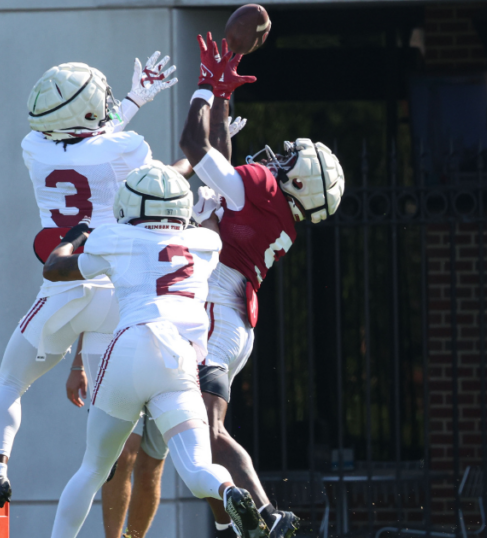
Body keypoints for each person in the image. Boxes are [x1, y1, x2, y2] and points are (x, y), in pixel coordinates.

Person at [0, 54, 180, 536]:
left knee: (10, 383)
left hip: (62, 283)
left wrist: (133, 100)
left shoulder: (32, 146)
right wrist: (143, 101)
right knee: (99, 452)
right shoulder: (127, 147)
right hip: (112, 294)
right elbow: (149, 177)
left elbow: (84, 138)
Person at [43, 161, 270, 538]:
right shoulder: (204, 243)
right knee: (197, 469)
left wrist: (79, 232)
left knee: (94, 469)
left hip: (131, 346)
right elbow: (207, 230)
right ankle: (229, 491)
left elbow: (54, 268)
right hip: (178, 360)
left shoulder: (114, 237)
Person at [177, 34, 345, 538]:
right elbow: (221, 171)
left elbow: (194, 147)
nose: (279, 158)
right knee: (195, 437)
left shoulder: (268, 191)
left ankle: (268, 514)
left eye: (291, 161)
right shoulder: (276, 212)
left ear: (297, 184)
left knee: (207, 432)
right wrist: (227, 96)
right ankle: (236, 523)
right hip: (230, 318)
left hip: (214, 313)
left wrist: (206, 88)